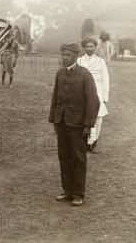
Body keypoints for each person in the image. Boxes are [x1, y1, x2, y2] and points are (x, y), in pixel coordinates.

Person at [49, 42, 100, 206]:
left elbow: (93, 101)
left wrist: (88, 125)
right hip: (62, 122)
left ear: (76, 56)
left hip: (78, 125)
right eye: (63, 55)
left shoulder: (85, 75)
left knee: (78, 158)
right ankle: (67, 191)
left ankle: (78, 194)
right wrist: (54, 120)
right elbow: (55, 98)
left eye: (68, 55)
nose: (65, 58)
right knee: (64, 157)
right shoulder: (60, 74)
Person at [78, 37, 110, 154]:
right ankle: (86, 143)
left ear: (95, 47)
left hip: (98, 94)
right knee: (85, 119)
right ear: (84, 48)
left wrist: (105, 97)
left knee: (97, 119)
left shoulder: (101, 62)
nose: (89, 49)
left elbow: (105, 80)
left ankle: (94, 143)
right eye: (87, 47)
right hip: (83, 94)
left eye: (91, 46)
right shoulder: (79, 61)